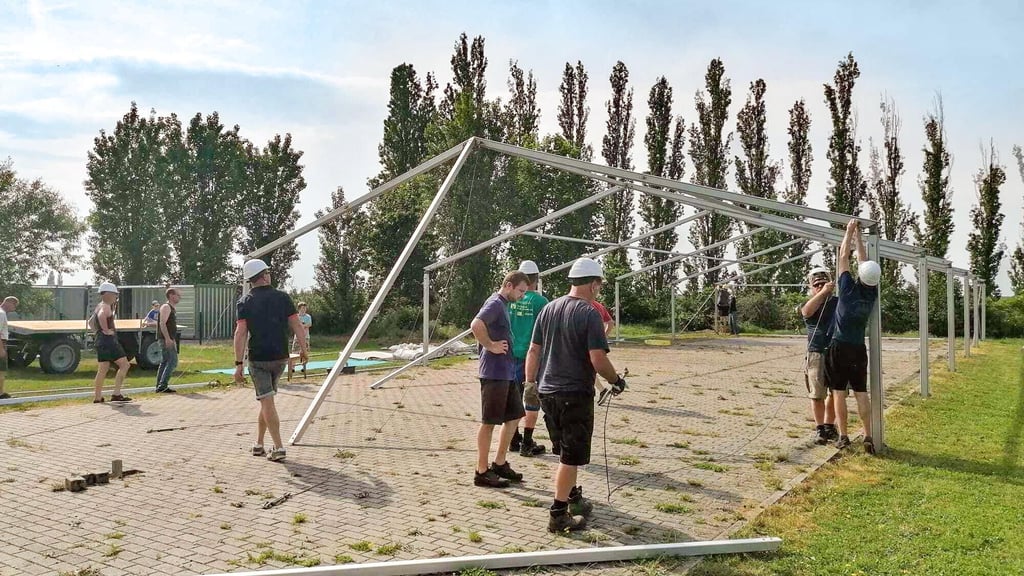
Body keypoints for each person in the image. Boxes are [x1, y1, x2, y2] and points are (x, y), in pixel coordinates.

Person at [525, 257, 627, 532]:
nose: (599, 290)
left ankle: (573, 496)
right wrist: (616, 381)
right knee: (571, 457)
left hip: (546, 392)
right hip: (574, 393)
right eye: (600, 286)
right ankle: (559, 515)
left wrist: (529, 383)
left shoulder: (548, 309)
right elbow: (597, 359)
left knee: (563, 452)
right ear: (594, 285)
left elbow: (534, 351)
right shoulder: (590, 313)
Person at [234, 259, 308, 462]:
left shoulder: (244, 302)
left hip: (258, 359)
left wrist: (238, 364)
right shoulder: (283, 298)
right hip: (280, 357)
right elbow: (297, 325)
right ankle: (259, 444)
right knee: (267, 401)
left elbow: (240, 333)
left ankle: (279, 447)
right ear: (265, 275)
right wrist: (304, 349)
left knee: (266, 401)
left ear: (250, 280)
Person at [826, 219, 881, 453]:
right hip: (859, 348)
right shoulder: (871, 293)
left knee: (838, 392)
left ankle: (844, 435)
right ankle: (868, 435)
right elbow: (863, 261)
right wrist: (860, 237)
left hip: (839, 346)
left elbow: (843, 258)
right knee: (861, 392)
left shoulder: (847, 288)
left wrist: (849, 232)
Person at [470, 271, 529, 488]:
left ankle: (500, 462)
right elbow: (476, 325)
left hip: (506, 372)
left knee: (514, 416)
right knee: (489, 422)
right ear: (509, 285)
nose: (522, 296)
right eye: (521, 291)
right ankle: (481, 471)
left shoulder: (503, 304)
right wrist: (491, 345)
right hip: (493, 373)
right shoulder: (495, 303)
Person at [508, 260, 549, 457]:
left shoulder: (512, 298)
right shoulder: (541, 302)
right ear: (536, 279)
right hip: (532, 357)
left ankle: (513, 439)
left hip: (510, 355)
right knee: (531, 398)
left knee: (513, 398)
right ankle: (527, 441)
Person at [800, 267, 838, 445]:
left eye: (823, 283)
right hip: (816, 353)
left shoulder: (837, 302)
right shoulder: (811, 304)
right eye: (816, 285)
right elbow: (806, 312)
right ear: (811, 287)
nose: (820, 287)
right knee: (817, 394)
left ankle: (830, 426)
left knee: (836, 392)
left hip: (836, 352)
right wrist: (822, 293)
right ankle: (820, 428)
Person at [91, 283, 131, 403]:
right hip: (109, 341)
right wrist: (106, 330)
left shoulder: (98, 306)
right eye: (114, 294)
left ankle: (98, 397)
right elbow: (102, 315)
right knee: (125, 365)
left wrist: (98, 332)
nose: (115, 297)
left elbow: (91, 322)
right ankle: (116, 394)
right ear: (107, 294)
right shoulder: (106, 306)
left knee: (102, 369)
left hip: (100, 340)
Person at [155, 288, 181, 393]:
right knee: (173, 361)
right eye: (178, 295)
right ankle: (162, 385)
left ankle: (160, 385)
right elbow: (162, 323)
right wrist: (167, 338)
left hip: (169, 338)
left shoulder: (171, 308)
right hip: (166, 338)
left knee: (165, 361)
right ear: (171, 295)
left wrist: (171, 338)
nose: (180, 297)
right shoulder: (166, 307)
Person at [0, 296, 20, 400]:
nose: (14, 308)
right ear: (9, 302)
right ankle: (1, 394)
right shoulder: (1, 313)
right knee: (1, 371)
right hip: (1, 343)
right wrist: (1, 349)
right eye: (14, 305)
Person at [288, 302, 313, 381]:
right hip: (297, 337)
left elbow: (309, 324)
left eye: (305, 308)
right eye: (302, 308)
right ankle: (293, 367)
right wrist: (299, 326)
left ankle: (303, 367)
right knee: (294, 352)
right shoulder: (296, 316)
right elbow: (293, 324)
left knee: (304, 352)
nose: (304, 310)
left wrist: (302, 325)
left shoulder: (308, 316)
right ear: (299, 309)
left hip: (306, 337)